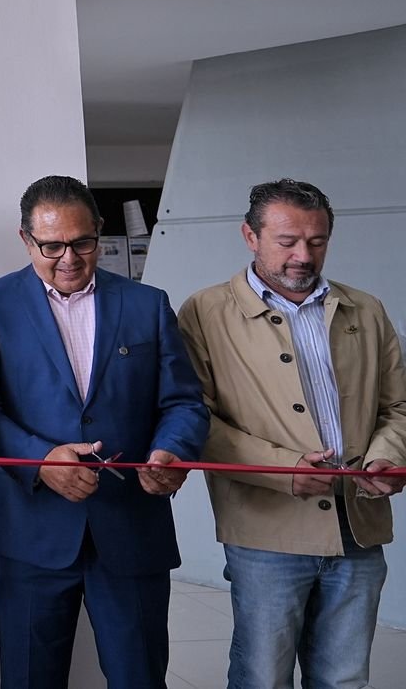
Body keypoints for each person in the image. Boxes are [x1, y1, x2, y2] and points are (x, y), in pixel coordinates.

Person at [0, 174, 207, 689]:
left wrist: (171, 449)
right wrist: (40, 462)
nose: (69, 258)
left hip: (131, 525)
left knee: (139, 678)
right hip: (31, 530)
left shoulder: (147, 304)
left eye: (82, 242)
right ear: (26, 239)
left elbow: (183, 402)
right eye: (51, 246)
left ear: (98, 229)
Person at [176, 178, 406, 689]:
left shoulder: (366, 310)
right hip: (265, 533)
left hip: (358, 527)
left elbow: (397, 406)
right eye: (287, 242)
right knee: (263, 678)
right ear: (250, 236)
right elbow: (192, 419)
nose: (303, 255)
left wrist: (386, 457)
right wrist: (282, 469)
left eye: (317, 241)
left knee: (345, 679)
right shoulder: (204, 312)